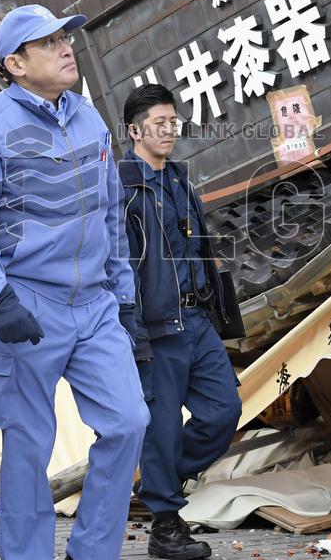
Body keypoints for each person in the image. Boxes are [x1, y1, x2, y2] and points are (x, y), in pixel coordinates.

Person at [0, 4, 149, 560]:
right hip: (27, 301)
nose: (66, 48)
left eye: (66, 38)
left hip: (95, 305)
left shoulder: (88, 116)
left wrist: (125, 299)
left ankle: (92, 552)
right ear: (15, 64)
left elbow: (111, 211)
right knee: (28, 445)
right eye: (49, 42)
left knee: (129, 422)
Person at [119, 84, 243, 560]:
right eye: (159, 123)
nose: (170, 130)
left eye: (174, 121)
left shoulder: (180, 181)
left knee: (224, 410)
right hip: (155, 326)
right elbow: (121, 265)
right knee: (163, 426)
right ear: (134, 131)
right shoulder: (124, 189)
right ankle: (166, 526)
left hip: (197, 318)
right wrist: (132, 329)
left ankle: (160, 480)